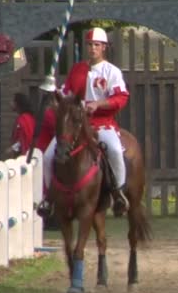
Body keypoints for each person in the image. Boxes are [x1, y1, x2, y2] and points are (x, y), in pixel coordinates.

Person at [38, 27, 130, 217]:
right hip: (75, 124)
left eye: (97, 45)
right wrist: (54, 92)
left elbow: (121, 97)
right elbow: (67, 94)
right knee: (47, 156)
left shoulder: (112, 71)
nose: (92, 48)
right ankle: (48, 198)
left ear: (104, 47)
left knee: (113, 150)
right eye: (89, 45)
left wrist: (99, 104)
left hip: (101, 123)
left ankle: (118, 193)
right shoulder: (77, 69)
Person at [4, 93, 55, 159]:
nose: (10, 103)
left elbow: (26, 139)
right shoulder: (24, 117)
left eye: (13, 101)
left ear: (17, 104)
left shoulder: (25, 119)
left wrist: (12, 148)